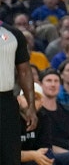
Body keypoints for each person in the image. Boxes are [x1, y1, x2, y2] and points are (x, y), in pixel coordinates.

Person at [0, 20, 37, 165]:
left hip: (6, 101)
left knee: (10, 156)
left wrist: (31, 105)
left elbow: (25, 71)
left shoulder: (13, 34)